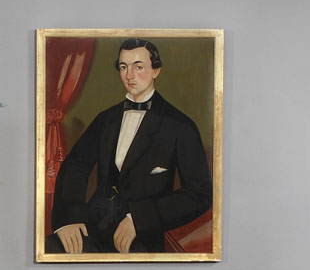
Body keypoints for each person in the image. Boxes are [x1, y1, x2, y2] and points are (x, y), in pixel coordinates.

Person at [48, 38, 212, 255]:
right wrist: (69, 218)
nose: (130, 75)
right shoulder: (106, 119)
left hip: (142, 237)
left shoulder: (180, 126)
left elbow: (199, 194)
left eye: (138, 66)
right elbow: (75, 166)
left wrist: (139, 219)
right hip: (91, 228)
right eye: (124, 67)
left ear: (156, 70)